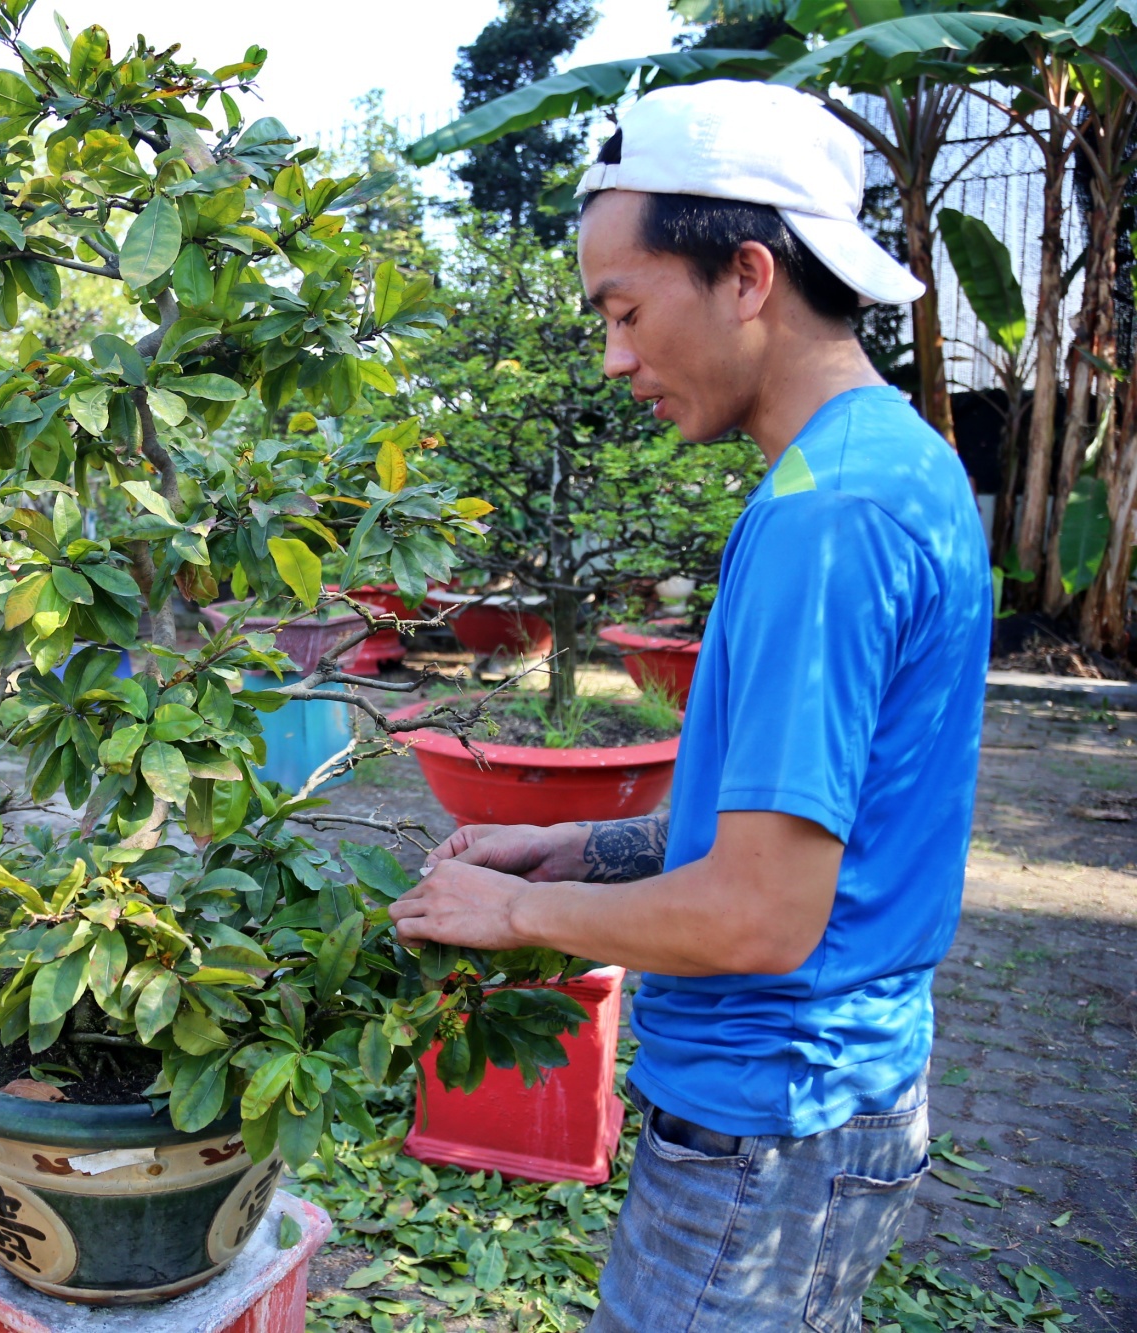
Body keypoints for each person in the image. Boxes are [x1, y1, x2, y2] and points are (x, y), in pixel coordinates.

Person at [391, 81, 990, 1331]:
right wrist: (589, 848)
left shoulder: (829, 517)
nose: (613, 357)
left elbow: (761, 915)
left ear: (746, 275)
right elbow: (820, 836)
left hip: (765, 1120)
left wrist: (514, 909)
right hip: (820, 1101)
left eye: (621, 308)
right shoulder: (889, 462)